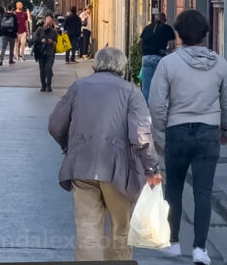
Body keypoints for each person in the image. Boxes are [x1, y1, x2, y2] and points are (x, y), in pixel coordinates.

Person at [48, 47, 163, 261]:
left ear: (96, 65)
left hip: (82, 167)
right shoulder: (130, 91)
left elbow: (55, 125)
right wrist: (152, 167)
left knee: (87, 230)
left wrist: (68, 147)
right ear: (122, 67)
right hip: (118, 169)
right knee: (120, 228)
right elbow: (141, 135)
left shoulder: (78, 87)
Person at [148, 9, 227, 265]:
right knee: (203, 191)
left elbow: (157, 104)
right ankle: (200, 248)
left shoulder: (168, 64)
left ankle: (174, 242)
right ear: (205, 35)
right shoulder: (220, 64)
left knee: (173, 190)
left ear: (179, 35)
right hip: (208, 132)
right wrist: (225, 128)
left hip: (177, 131)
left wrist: (160, 131)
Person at [138, 12, 176, 100]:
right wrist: (167, 51)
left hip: (146, 58)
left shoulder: (147, 28)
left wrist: (144, 52)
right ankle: (156, 107)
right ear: (164, 19)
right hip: (159, 58)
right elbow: (172, 45)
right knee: (158, 85)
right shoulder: (167, 28)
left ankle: (146, 109)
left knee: (146, 87)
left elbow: (139, 43)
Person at [32, 15, 60, 92]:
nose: (48, 25)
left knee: (49, 68)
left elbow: (56, 41)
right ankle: (43, 86)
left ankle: (49, 86)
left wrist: (53, 42)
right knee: (42, 70)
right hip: (41, 52)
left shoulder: (54, 32)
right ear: (44, 22)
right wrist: (41, 40)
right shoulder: (39, 30)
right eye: (47, 23)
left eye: (50, 24)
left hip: (50, 53)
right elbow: (34, 39)